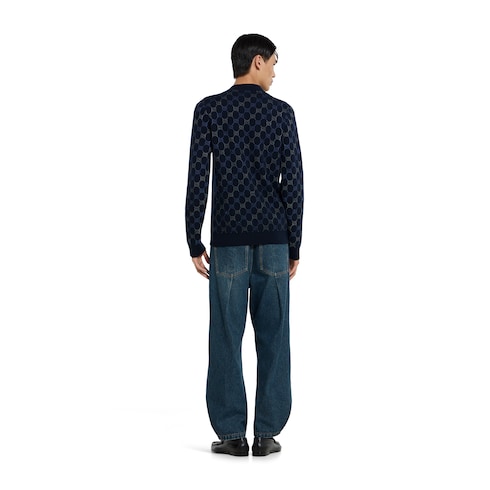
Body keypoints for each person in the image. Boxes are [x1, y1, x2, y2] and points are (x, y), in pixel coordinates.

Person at [185, 33, 304, 456]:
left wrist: (193, 239)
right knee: (274, 337)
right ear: (256, 61)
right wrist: (294, 244)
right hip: (273, 243)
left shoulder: (209, 110)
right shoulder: (281, 113)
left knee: (225, 336)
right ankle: (267, 434)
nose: (274, 71)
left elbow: (198, 176)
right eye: (273, 62)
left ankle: (232, 434)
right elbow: (294, 182)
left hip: (228, 244)